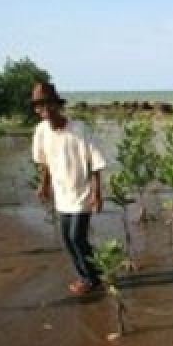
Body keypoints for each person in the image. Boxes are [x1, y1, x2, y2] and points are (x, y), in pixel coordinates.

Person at [31, 81, 107, 296]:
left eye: (47, 104)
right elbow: (43, 162)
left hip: (82, 192)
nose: (44, 109)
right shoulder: (41, 131)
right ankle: (93, 273)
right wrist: (43, 185)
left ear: (57, 105)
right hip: (62, 193)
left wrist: (97, 193)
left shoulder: (79, 129)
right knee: (66, 239)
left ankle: (90, 279)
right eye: (39, 105)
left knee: (77, 237)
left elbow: (96, 162)